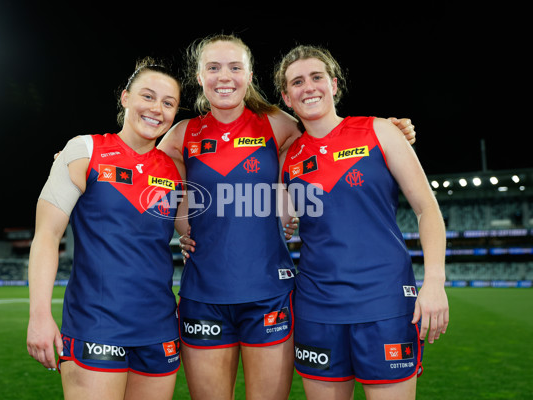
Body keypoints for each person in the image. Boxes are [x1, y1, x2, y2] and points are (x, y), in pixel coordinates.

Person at [161, 34, 417, 400]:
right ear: (199, 77)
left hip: (270, 293)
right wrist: (182, 223)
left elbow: (327, 138)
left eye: (235, 67)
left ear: (249, 75)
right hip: (204, 293)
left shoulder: (276, 123)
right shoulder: (182, 134)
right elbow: (143, 166)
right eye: (213, 68)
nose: (224, 76)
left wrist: (388, 131)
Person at [275, 45, 449, 400]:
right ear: (287, 98)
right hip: (316, 308)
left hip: (384, 302)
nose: (308, 87)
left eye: (317, 77)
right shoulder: (287, 158)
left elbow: (427, 210)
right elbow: (278, 221)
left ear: (334, 85)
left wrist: (434, 283)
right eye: (297, 82)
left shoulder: (381, 132)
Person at [26, 58, 185, 400]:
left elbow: (198, 231)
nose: (157, 109)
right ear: (125, 98)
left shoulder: (175, 170)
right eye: (148, 96)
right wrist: (39, 316)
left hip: (160, 328)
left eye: (168, 103)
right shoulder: (84, 150)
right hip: (95, 324)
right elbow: (46, 237)